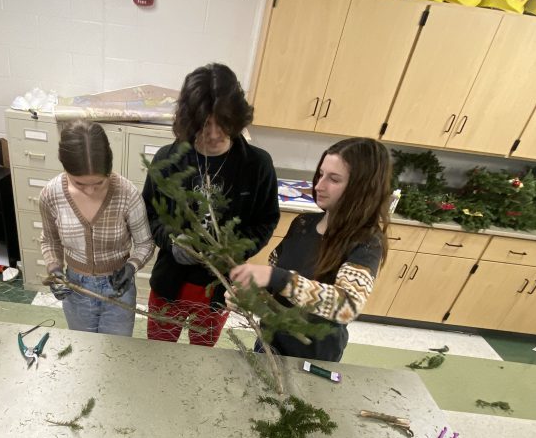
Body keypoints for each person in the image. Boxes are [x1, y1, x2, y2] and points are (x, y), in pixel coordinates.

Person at [142, 63, 279, 346]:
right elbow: (151, 214)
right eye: (205, 124)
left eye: (224, 123)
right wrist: (172, 242)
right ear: (189, 121)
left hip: (219, 288)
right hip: (170, 284)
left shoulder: (257, 166)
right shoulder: (168, 160)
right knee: (157, 349)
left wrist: (232, 250)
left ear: (237, 117)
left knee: (202, 355)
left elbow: (266, 221)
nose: (215, 134)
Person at [230, 137, 390, 362]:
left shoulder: (367, 242)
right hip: (269, 343)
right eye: (320, 174)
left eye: (333, 179)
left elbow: (347, 305)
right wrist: (248, 294)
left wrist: (280, 278)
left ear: (361, 188)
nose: (318, 186)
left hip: (313, 357)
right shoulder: (302, 224)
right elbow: (275, 285)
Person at [39, 120, 154, 335]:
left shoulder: (127, 193)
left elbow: (145, 243)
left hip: (118, 289)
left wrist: (131, 267)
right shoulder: (50, 194)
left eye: (99, 183)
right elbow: (50, 240)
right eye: (79, 184)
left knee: (118, 350)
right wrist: (54, 270)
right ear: (65, 168)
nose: (90, 191)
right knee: (83, 349)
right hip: (76, 288)